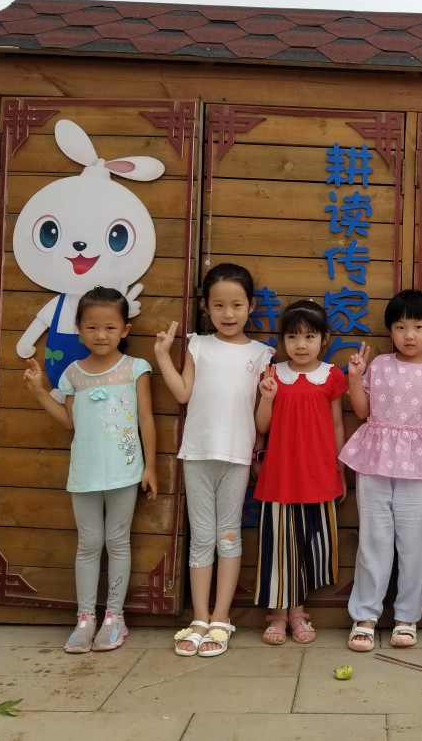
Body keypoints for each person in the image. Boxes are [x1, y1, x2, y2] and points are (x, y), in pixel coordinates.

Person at [23, 287, 157, 653]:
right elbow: (69, 422)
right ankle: (85, 618)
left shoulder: (136, 369)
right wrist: (39, 391)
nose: (101, 335)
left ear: (125, 330)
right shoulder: (73, 373)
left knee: (117, 542)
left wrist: (151, 467)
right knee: (89, 544)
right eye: (92, 327)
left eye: (110, 327)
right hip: (84, 473)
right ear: (79, 330)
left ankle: (114, 616)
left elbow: (146, 419)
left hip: (125, 472)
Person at [154, 263, 274, 657]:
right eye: (219, 305)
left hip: (236, 456)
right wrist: (162, 356)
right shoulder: (198, 345)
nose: (228, 313)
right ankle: (199, 618)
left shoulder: (261, 354)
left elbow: (261, 419)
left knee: (229, 535)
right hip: (198, 453)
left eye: (237, 305)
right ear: (206, 306)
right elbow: (183, 393)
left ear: (251, 306)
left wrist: (268, 403)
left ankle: (221, 618)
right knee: (202, 538)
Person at [341, 289, 422, 651]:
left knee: (414, 543)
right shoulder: (379, 365)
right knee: (373, 540)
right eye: (400, 327)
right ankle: (365, 616)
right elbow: (362, 412)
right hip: (375, 460)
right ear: (390, 331)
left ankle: (406, 618)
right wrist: (355, 377)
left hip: (417, 464)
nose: (409, 335)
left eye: (418, 327)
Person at [253, 300, 347, 645]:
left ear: (324, 338)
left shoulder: (332, 376)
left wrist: (340, 470)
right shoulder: (273, 373)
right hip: (280, 475)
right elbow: (262, 426)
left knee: (309, 544)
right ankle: (278, 613)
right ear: (283, 340)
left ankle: (298, 610)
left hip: (318, 474)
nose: (301, 344)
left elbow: (337, 425)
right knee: (279, 544)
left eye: (309, 336)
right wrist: (267, 398)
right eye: (292, 337)